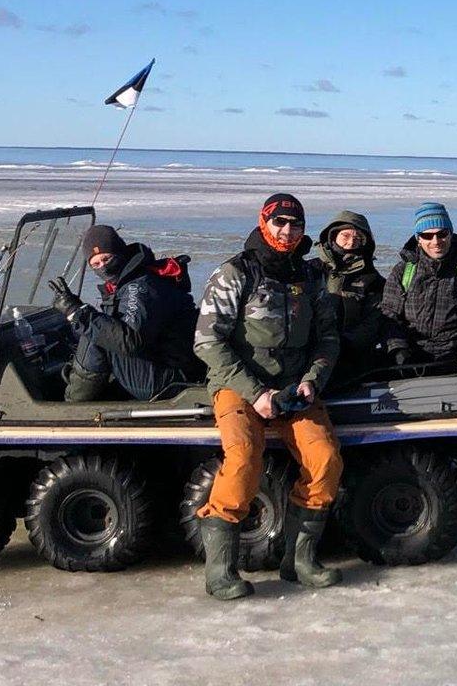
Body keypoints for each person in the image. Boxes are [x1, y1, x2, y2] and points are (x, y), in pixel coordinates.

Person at [193, 193, 343, 599]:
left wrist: (313, 379)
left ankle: (299, 560)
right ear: (264, 223)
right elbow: (207, 342)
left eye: (295, 224)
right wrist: (256, 392)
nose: (287, 231)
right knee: (242, 459)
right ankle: (220, 570)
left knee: (325, 459)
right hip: (239, 384)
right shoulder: (235, 273)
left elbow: (328, 339)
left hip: (295, 388)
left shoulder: (311, 278)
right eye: (279, 223)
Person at [49, 225, 202, 401]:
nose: (103, 268)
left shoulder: (139, 287)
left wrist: (76, 312)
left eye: (107, 259)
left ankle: (71, 405)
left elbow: (130, 340)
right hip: (169, 367)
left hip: (166, 379)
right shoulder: (134, 279)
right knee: (97, 326)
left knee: (96, 332)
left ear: (120, 253)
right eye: (96, 264)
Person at [379, 202, 457, 367]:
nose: (436, 241)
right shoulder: (403, 271)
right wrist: (397, 350)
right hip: (411, 357)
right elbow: (389, 314)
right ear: (418, 239)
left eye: (442, 234)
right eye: (427, 236)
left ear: (451, 234)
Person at [311, 210, 387, 385]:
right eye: (345, 235)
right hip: (310, 355)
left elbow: (374, 320)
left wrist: (343, 345)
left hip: (350, 358)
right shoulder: (311, 270)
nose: (351, 241)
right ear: (333, 236)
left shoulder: (372, 279)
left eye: (358, 237)